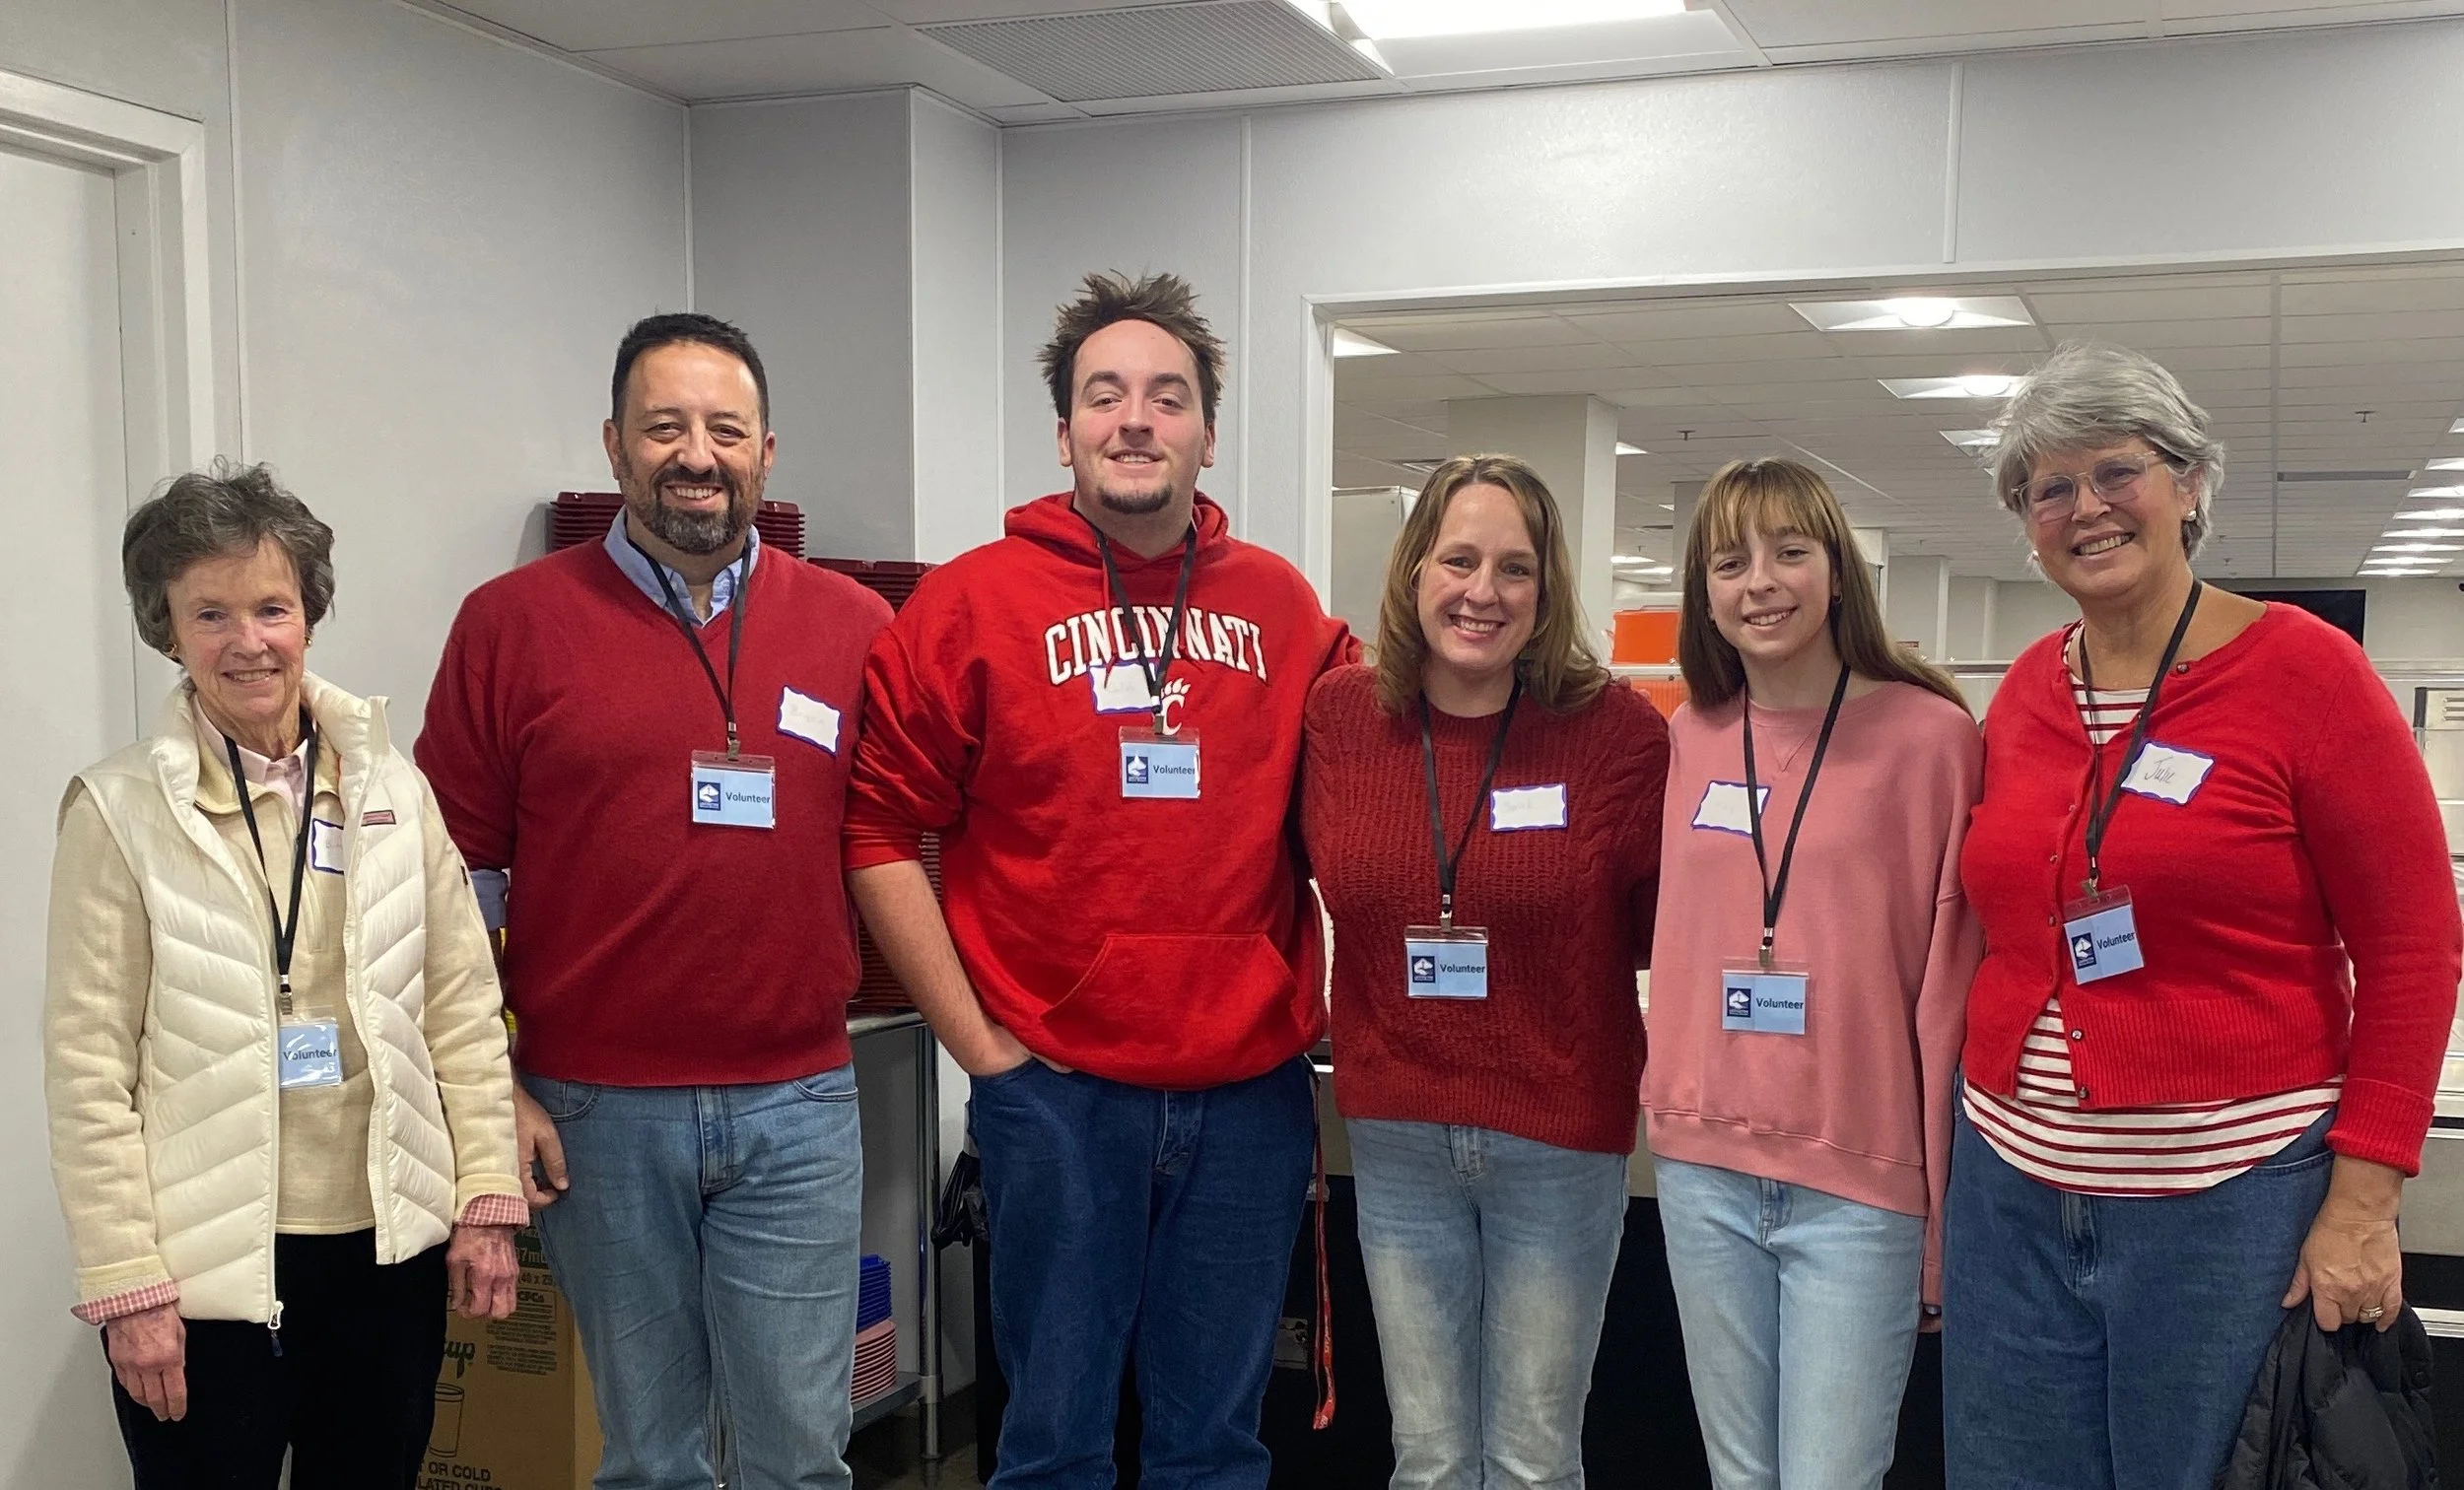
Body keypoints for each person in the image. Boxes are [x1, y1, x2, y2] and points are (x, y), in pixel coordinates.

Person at [845, 270, 1355, 1489]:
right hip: (1058, 1099)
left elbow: (1385, 773)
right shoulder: (972, 604)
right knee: (1052, 1448)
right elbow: (876, 831)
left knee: (1214, 1448)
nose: (1136, 420)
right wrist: (981, 1052)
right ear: (1064, 429)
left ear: (1208, 434)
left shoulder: (1281, 606)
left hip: (1247, 1098)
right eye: (1106, 395)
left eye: (1167, 398)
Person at [1946, 341, 2462, 1490]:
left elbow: (2414, 950)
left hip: (2224, 1213)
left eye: (2115, 472)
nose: (2085, 508)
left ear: (2186, 484)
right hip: (2010, 1194)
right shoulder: (2026, 688)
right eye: (2048, 488)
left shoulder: (2308, 674)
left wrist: (2364, 1199)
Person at [418, 312, 893, 1490]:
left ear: (766, 452)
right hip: (596, 1114)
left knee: (801, 1456)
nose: (696, 455)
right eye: (664, 427)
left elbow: (894, 842)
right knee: (649, 1459)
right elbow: (451, 881)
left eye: (724, 430)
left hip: (798, 1104)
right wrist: (490, 1088)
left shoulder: (856, 628)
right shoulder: (508, 624)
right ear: (614, 445)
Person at [43, 463, 524, 1488]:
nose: (248, 641)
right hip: (206, 1275)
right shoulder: (118, 811)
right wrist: (128, 1284)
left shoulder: (393, 790)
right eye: (209, 613)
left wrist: (485, 1195)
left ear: (308, 614)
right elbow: (88, 1069)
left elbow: (460, 1008)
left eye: (271, 607)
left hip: (386, 1250)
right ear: (167, 631)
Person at [1301, 452, 1668, 1490]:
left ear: (1547, 590)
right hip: (1397, 1130)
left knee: (1532, 1459)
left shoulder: (1619, 735)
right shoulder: (1338, 719)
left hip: (1558, 1133)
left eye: (1516, 568)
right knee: (1425, 1455)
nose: (1483, 591)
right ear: (1414, 569)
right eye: (1458, 559)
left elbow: (1656, 930)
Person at [1643, 457, 1982, 1490]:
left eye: (1789, 552)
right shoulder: (1690, 736)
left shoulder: (1931, 739)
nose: (1761, 583)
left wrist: (1939, 1224)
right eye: (1729, 563)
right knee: (1739, 1478)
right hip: (1702, 1165)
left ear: (1837, 572)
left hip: (1858, 1181)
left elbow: (1946, 998)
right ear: (1703, 593)